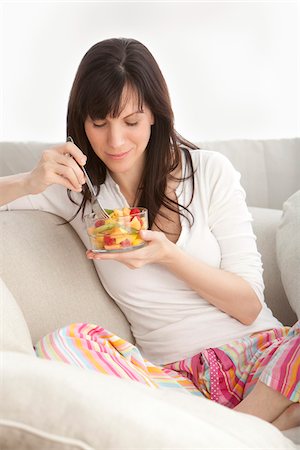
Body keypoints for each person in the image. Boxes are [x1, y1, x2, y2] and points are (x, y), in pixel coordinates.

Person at [1, 37, 299, 431]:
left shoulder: (209, 172)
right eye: (99, 123)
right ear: (82, 122)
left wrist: (167, 256)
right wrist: (29, 180)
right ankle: (268, 425)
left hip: (262, 363)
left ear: (155, 115)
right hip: (175, 383)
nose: (115, 141)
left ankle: (236, 429)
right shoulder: (78, 191)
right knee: (63, 343)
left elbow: (247, 306)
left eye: (130, 121)